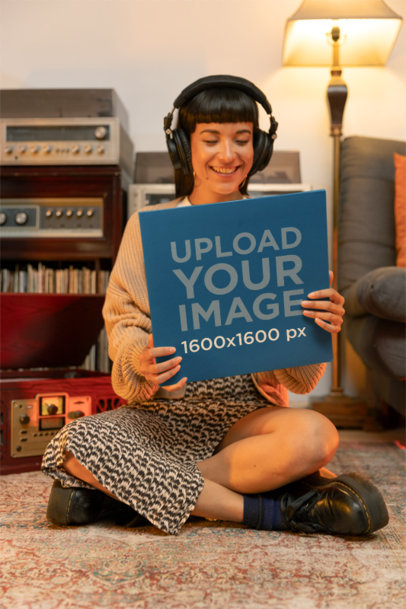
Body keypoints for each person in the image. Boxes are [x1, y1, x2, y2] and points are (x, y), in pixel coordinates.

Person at [42, 75, 388, 536]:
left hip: (247, 419)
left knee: (316, 435)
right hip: (161, 417)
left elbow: (302, 379)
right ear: (185, 146)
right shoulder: (146, 226)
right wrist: (139, 362)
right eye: (211, 139)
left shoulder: (283, 230)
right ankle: (273, 510)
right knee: (74, 444)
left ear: (259, 148)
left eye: (242, 140)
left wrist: (315, 329)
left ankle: (125, 493)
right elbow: (124, 322)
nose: (228, 155)